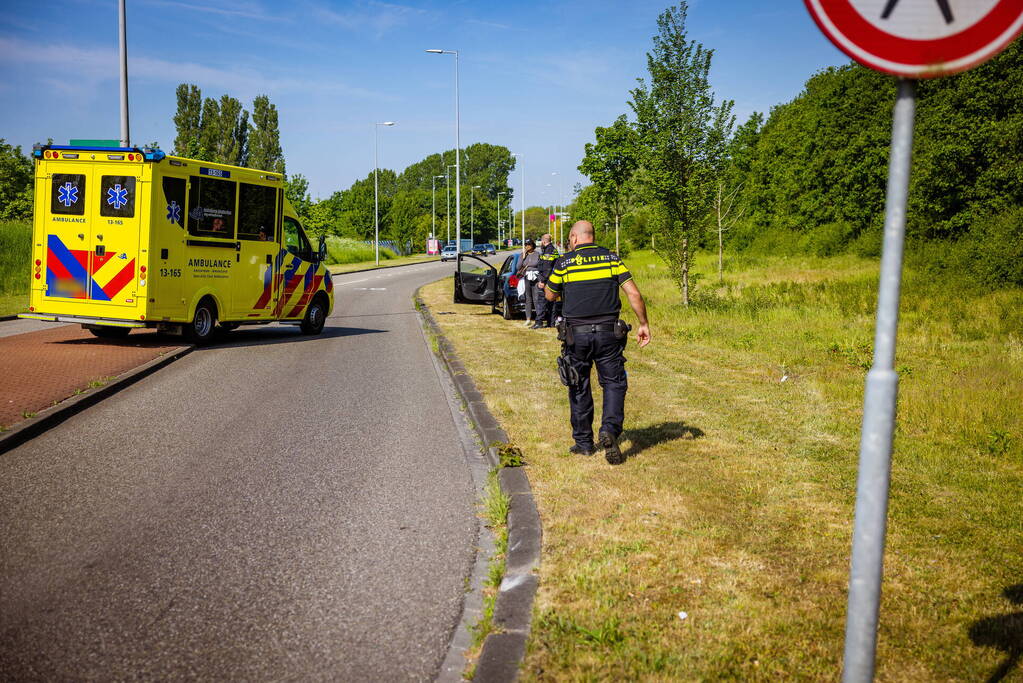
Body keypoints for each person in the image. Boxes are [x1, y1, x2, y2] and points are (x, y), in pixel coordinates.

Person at [545, 220, 651, 464]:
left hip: (576, 334)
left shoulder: (564, 263)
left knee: (578, 385)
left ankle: (583, 443)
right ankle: (610, 430)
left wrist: (569, 291)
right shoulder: (612, 259)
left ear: (573, 238)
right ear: (592, 236)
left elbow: (550, 294)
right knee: (614, 383)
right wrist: (643, 323)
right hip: (608, 334)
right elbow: (633, 293)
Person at [533, 233, 560, 328]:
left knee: (541, 302)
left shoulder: (548, 251)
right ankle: (551, 323)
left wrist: (542, 281)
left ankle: (539, 322)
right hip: (553, 280)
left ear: (544, 241)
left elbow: (547, 268)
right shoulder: (554, 250)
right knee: (551, 303)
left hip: (547, 280)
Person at [515, 238, 542, 327]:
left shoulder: (537, 254)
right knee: (528, 298)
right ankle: (528, 319)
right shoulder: (522, 255)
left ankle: (538, 319)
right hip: (526, 278)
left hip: (535, 278)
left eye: (528, 244)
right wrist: (523, 258)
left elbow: (536, 264)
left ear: (532, 245)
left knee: (536, 298)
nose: (526, 246)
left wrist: (528, 265)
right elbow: (518, 267)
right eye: (525, 245)